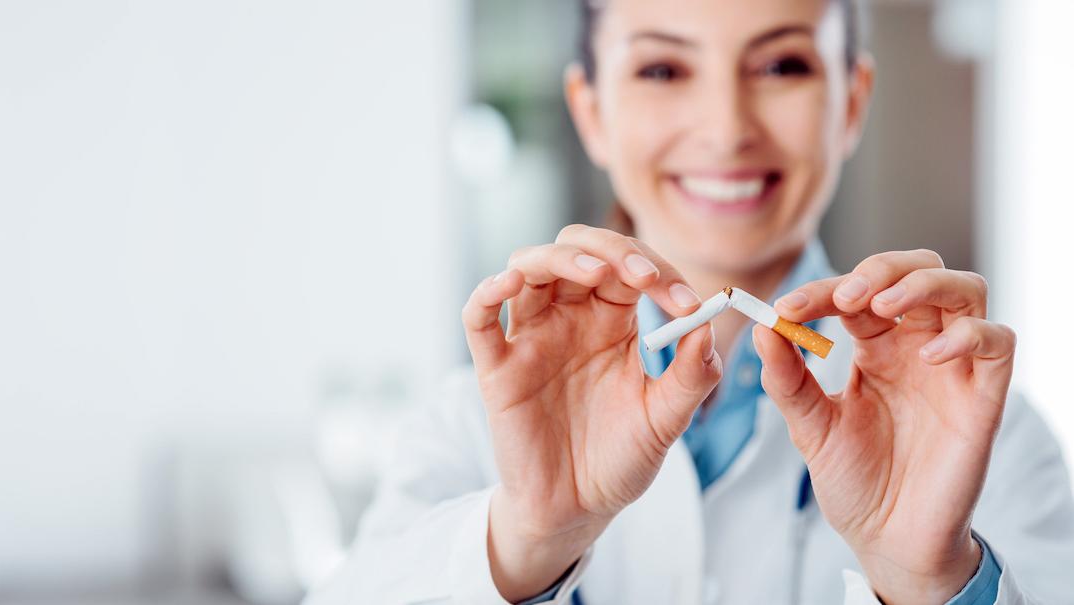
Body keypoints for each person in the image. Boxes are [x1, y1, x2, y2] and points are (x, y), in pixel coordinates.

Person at [304, 0, 1074, 603]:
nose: (726, 129)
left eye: (781, 65)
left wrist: (934, 584)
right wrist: (525, 541)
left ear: (850, 103)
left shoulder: (986, 439)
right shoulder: (471, 426)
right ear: (591, 111)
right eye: (663, 71)